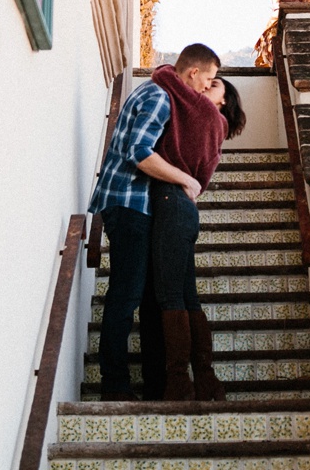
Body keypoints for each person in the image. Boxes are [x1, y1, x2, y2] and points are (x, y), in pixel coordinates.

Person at [86, 44, 219, 402]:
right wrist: (186, 180)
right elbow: (139, 152)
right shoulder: (160, 97)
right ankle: (114, 387)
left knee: (143, 295)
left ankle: (152, 384)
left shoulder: (156, 91)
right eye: (207, 80)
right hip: (128, 204)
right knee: (125, 295)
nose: (207, 88)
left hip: (136, 206)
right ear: (193, 72)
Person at [148, 73, 249, 400]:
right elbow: (200, 182)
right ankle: (206, 380)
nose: (206, 85)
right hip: (186, 209)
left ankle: (178, 381)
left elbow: (165, 75)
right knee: (188, 297)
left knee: (170, 297)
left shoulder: (204, 112)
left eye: (214, 84)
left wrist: (178, 71)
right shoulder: (215, 130)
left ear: (221, 101)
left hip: (169, 200)